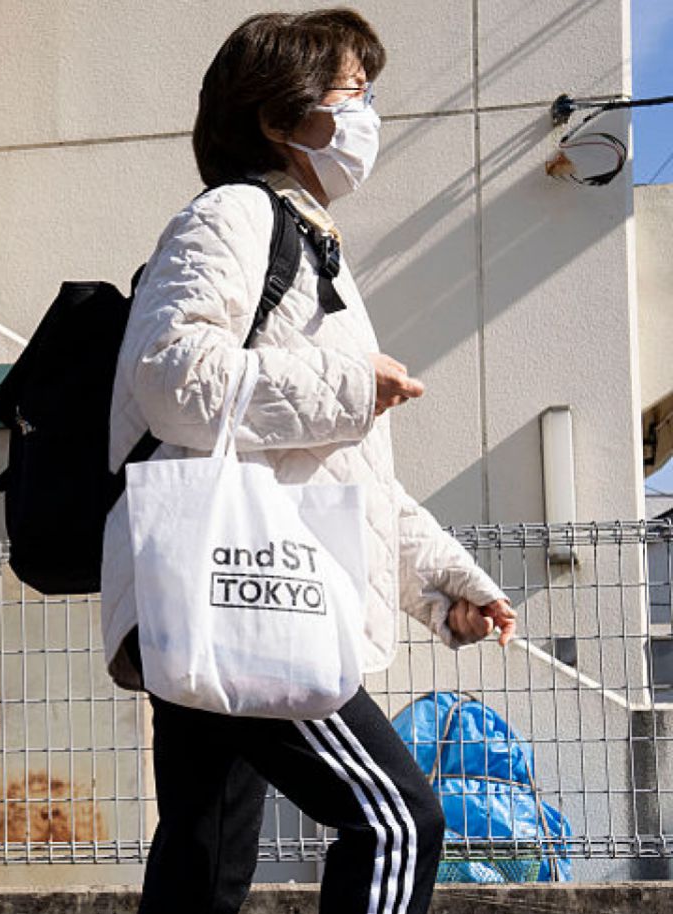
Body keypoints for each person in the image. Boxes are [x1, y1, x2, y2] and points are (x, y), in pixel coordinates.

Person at [100, 10, 518, 914]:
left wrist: (450, 586)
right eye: (351, 96)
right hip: (249, 592)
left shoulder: (310, 245)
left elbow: (352, 482)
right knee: (399, 820)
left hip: (219, 587)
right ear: (281, 119)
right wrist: (346, 384)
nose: (367, 117)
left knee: (204, 865)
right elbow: (172, 378)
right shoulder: (232, 215)